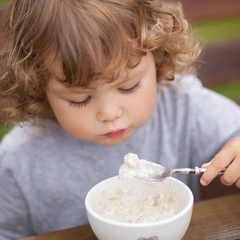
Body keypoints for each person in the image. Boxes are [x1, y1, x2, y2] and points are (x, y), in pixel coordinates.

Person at [0, 0, 239, 239]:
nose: (109, 113)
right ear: (38, 87)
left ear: (156, 58)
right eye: (80, 99)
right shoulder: (18, 161)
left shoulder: (180, 105)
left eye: (128, 86)